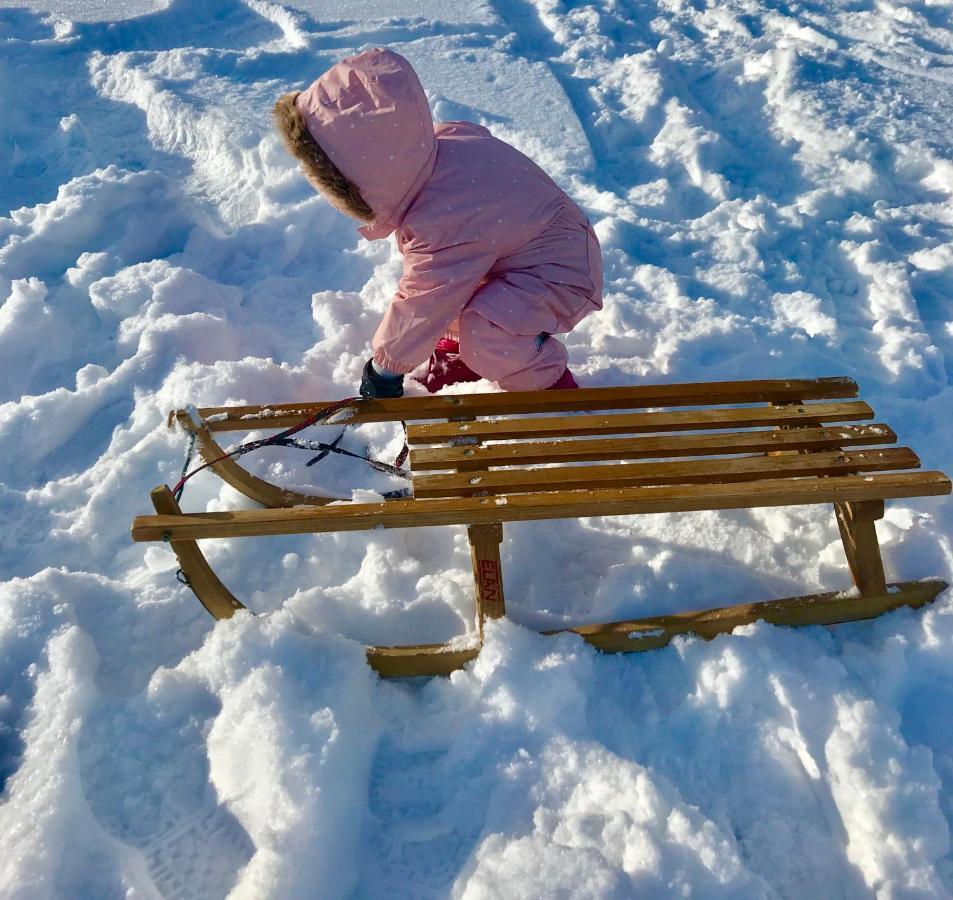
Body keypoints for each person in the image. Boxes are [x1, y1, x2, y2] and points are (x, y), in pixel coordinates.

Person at [273, 47, 602, 398]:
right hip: (534, 250)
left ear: (365, 179)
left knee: (487, 332)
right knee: (453, 287)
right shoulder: (440, 147)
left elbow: (423, 301)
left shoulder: (442, 217)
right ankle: (460, 357)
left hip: (562, 273)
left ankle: (549, 387)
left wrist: (384, 370)